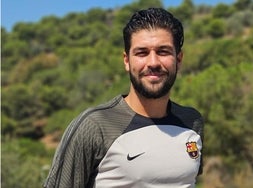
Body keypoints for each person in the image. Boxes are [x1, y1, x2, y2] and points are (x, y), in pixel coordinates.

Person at [44, 7, 204, 188]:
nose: (153, 63)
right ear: (127, 60)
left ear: (179, 59)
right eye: (142, 53)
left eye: (163, 51)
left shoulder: (192, 122)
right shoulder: (95, 126)